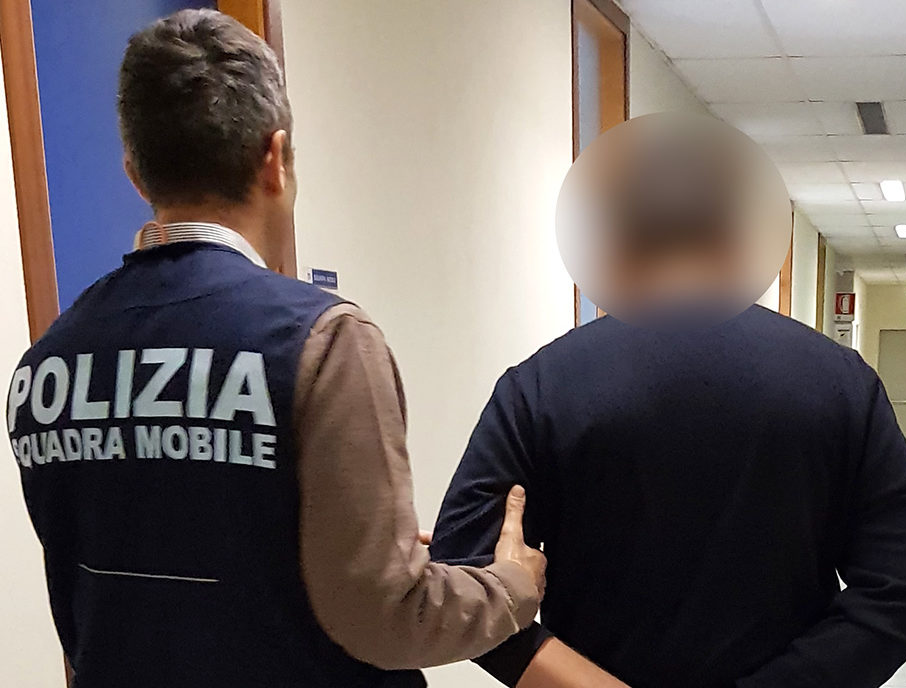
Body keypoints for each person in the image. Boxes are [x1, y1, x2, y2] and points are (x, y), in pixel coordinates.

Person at [6, 10, 548, 687]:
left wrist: (362, 548)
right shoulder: (323, 341)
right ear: (276, 157)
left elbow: (144, 572)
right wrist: (510, 587)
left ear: (135, 174)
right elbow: (383, 616)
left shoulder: (45, 365)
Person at [429, 116, 906, 688]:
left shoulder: (538, 387)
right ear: (741, 234)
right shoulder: (841, 383)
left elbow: (461, 587)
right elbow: (905, 590)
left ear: (611, 237)